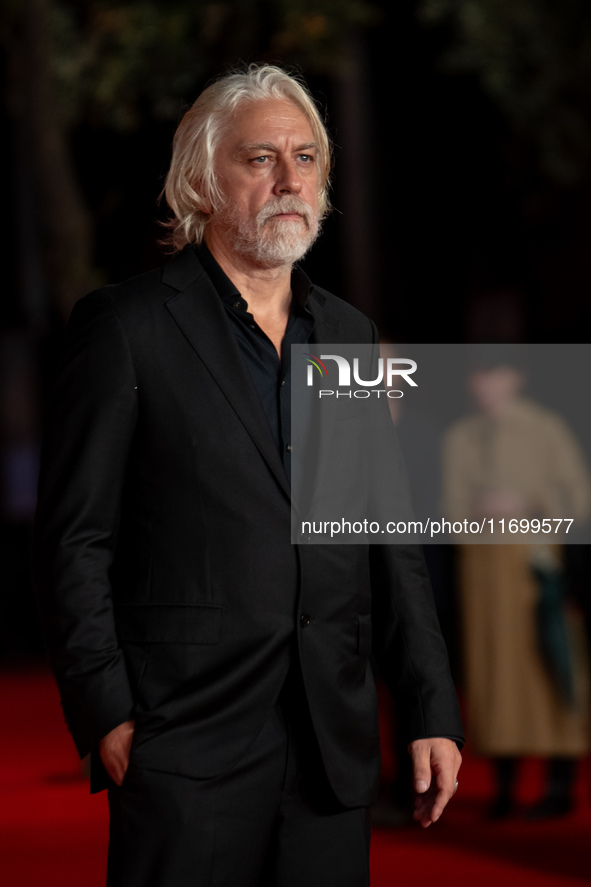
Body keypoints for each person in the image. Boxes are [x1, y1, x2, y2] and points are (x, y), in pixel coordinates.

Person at [33, 64, 463, 887]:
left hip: (330, 754)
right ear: (201, 178)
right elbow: (74, 539)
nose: (289, 179)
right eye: (259, 158)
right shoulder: (126, 329)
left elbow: (385, 537)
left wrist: (428, 708)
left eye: (305, 157)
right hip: (181, 747)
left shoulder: (347, 333)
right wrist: (107, 716)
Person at [443, 353, 590, 819]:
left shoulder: (546, 429)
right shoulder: (460, 437)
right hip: (484, 573)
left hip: (536, 566)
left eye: (495, 373)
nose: (484, 384)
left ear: (518, 377)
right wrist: (476, 515)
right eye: (478, 374)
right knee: (494, 674)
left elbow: (580, 500)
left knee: (549, 667)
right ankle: (503, 787)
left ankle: (558, 785)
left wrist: (530, 503)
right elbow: (447, 512)